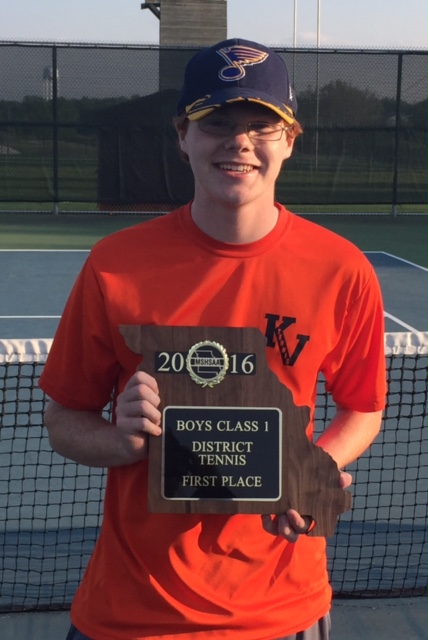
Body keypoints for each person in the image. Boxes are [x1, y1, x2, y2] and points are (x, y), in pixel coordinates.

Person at [40, 38, 386, 640]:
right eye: (217, 122)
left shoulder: (342, 269)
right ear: (183, 136)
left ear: (290, 139)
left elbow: (363, 406)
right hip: (131, 615)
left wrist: (313, 469)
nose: (239, 141)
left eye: (261, 125)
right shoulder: (114, 265)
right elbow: (63, 418)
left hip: (282, 612)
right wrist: (121, 440)